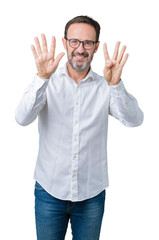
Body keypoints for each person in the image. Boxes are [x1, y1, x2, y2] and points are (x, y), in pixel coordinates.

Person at [15, 15, 144, 240]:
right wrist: (41, 78)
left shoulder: (106, 85)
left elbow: (134, 120)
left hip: (91, 195)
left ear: (95, 47)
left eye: (87, 43)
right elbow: (21, 118)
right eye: (74, 41)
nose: (80, 49)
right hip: (49, 192)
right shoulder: (47, 81)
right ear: (65, 43)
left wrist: (115, 85)